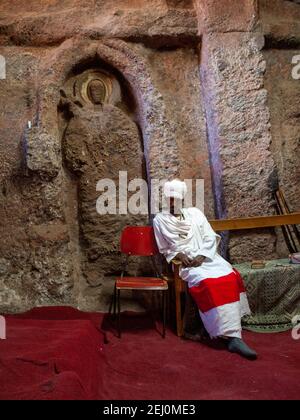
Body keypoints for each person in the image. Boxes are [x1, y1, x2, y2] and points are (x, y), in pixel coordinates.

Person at [153, 180, 257, 360]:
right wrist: (178, 254)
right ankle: (229, 335)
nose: (171, 203)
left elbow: (209, 237)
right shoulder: (159, 220)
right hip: (185, 263)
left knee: (230, 276)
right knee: (207, 282)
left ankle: (233, 334)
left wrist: (202, 255)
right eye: (169, 199)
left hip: (206, 258)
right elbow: (165, 248)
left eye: (175, 200)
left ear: (182, 200)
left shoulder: (195, 214)